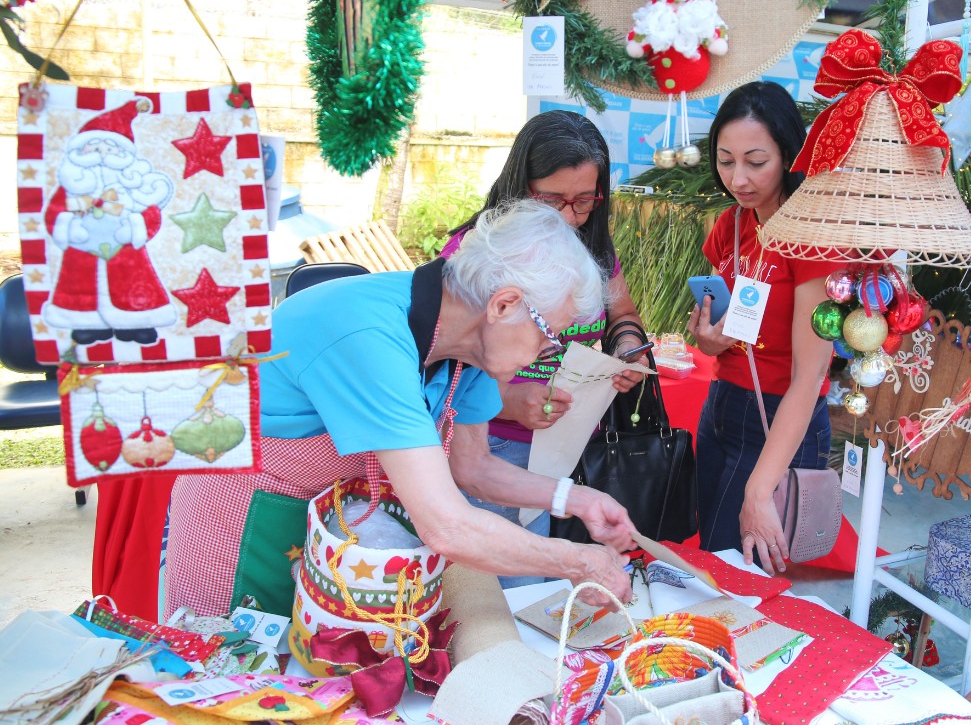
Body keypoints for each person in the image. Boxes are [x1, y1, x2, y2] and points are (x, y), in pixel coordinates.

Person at [164, 201, 636, 617]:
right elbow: (447, 527)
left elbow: (472, 468)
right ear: (504, 304)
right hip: (250, 523)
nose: (544, 356)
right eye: (549, 337)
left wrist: (579, 500)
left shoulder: (470, 346)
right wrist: (574, 561)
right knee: (237, 680)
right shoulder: (366, 334)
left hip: (333, 525)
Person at [441, 110, 646, 586]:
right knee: (501, 596)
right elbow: (445, 375)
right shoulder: (474, 255)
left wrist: (629, 350)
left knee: (559, 598)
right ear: (520, 185)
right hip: (494, 448)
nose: (570, 217)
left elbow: (625, 314)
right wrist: (511, 399)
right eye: (553, 200)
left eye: (585, 202)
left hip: (573, 443)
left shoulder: (594, 246)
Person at [686, 81, 840, 575]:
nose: (739, 178)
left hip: (780, 418)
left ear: (789, 154)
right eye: (726, 160)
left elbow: (809, 377)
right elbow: (727, 323)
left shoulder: (812, 236)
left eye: (756, 161)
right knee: (715, 555)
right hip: (722, 407)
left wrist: (759, 487)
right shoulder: (731, 225)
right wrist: (709, 339)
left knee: (745, 572)